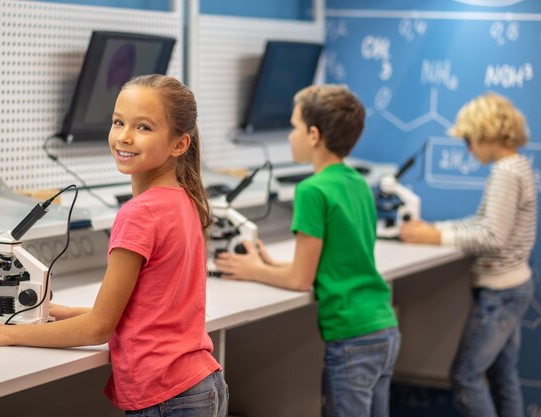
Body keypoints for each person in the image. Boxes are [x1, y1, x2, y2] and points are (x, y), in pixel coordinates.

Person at [0, 75, 228, 416]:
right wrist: (63, 312)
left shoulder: (139, 214)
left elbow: (98, 328)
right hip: (201, 384)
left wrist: (5, 334)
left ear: (179, 144)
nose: (124, 137)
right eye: (118, 122)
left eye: (144, 127)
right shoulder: (185, 200)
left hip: (167, 397)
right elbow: (153, 311)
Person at [215, 84, 400, 417]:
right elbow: (341, 254)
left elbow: (301, 279)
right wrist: (272, 264)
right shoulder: (357, 181)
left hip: (352, 336)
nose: (289, 136)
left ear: (314, 135)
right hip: (383, 327)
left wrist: (252, 269)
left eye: (294, 127)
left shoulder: (312, 190)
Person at [400, 92, 536, 417]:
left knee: (464, 377)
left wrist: (436, 237)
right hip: (515, 286)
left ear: (487, 133)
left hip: (500, 292)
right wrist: (435, 229)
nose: (468, 149)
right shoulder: (518, 165)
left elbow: (491, 235)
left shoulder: (505, 172)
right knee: (503, 378)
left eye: (469, 140)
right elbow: (484, 221)